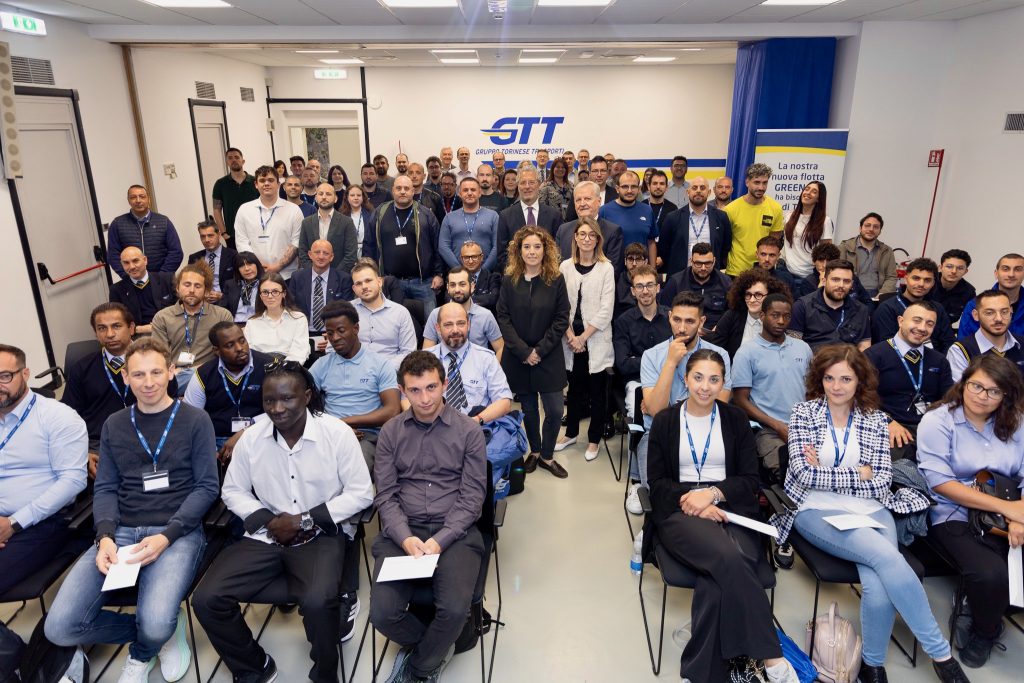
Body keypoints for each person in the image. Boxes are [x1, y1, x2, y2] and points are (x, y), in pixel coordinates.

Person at [771, 344, 969, 683]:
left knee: (877, 579)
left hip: (871, 509)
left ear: (859, 380)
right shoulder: (804, 413)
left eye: (845, 379)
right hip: (816, 507)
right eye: (829, 378)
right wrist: (858, 473)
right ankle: (942, 655)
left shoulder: (875, 419)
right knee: (888, 559)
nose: (836, 386)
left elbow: (880, 482)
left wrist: (831, 472)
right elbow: (804, 476)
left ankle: (872, 666)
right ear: (820, 379)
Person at [45, 337, 220, 683]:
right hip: (122, 531)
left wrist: (167, 536)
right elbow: (106, 487)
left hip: (177, 532)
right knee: (60, 628)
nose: (149, 382)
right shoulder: (115, 423)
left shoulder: (196, 420)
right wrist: (105, 537)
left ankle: (143, 651)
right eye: (138, 374)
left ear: (172, 371)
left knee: (155, 622)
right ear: (125, 377)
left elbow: (207, 487)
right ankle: (160, 631)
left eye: (156, 372)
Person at [194, 358, 373, 683]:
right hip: (267, 534)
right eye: (269, 400)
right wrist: (268, 520)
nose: (277, 408)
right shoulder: (252, 438)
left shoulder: (337, 434)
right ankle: (254, 666)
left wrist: (304, 520)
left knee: (318, 602)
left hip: (319, 535)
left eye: (287, 398)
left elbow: (362, 493)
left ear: (307, 396)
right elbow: (232, 490)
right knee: (206, 599)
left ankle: (325, 675)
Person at [646, 349, 800, 683]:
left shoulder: (734, 419)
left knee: (716, 582)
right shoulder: (665, 421)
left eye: (714, 379)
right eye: (698, 377)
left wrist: (713, 494)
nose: (705, 386)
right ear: (685, 379)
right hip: (680, 510)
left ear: (723, 383)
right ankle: (772, 656)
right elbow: (656, 486)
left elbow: (750, 480)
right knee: (731, 557)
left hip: (730, 507)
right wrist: (695, 499)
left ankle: (699, 673)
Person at [371, 351, 488, 683]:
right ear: (402, 391)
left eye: (431, 387)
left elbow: (472, 498)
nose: (424, 399)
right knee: (382, 615)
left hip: (455, 532)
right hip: (403, 530)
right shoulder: (391, 432)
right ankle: (437, 648)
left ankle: (419, 668)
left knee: (454, 610)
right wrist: (405, 537)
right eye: (415, 390)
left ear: (445, 384)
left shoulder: (469, 431)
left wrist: (440, 541)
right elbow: (386, 495)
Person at [918, 354, 1024, 669]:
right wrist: (1009, 510)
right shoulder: (939, 420)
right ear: (963, 383)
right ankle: (986, 630)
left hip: (1009, 507)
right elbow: (940, 482)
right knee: (991, 575)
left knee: (1008, 574)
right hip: (953, 513)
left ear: (1006, 395)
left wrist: (1018, 516)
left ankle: (975, 602)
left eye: (994, 391)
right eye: (976, 386)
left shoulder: (1017, 422)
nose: (982, 396)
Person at [0, 343, 88, 677]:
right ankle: (17, 658)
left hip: (41, 523)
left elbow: (72, 481)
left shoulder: (57, 417)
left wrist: (13, 523)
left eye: (4, 376)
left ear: (25, 373)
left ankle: (21, 663)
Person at [62, 303, 171, 478]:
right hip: (100, 445)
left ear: (131, 328)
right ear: (95, 333)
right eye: (102, 328)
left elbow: (171, 407)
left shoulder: (155, 364)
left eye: (117, 326)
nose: (110, 334)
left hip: (152, 437)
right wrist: (83, 452)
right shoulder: (81, 369)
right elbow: (68, 417)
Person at [496, 227, 570, 478]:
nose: (532, 252)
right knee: (528, 409)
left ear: (545, 249)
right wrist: (524, 352)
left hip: (548, 356)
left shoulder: (556, 279)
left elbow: (561, 318)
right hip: (518, 358)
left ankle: (548, 456)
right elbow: (503, 318)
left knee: (555, 411)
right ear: (519, 251)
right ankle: (535, 452)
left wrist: (539, 350)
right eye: (526, 247)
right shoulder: (509, 280)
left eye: (537, 246)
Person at [311, 300, 402, 472]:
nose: (335, 338)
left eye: (341, 330)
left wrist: (344, 423)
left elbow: (392, 410)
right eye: (330, 333)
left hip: (366, 435)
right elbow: (301, 400)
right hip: (328, 433)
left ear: (356, 329)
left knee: (354, 467)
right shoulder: (321, 365)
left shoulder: (380, 364)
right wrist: (335, 428)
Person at [554, 218, 615, 461]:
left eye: (591, 235)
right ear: (575, 238)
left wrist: (583, 338)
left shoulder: (606, 268)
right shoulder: (565, 267)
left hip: (595, 339)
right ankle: (570, 434)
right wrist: (571, 336)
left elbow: (606, 309)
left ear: (598, 239)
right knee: (574, 390)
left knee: (597, 392)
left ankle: (593, 439)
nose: (586, 238)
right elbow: (560, 306)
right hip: (570, 340)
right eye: (582, 234)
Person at [732, 293, 810, 484]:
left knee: (820, 469)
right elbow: (740, 400)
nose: (781, 321)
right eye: (775, 315)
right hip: (767, 430)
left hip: (805, 427)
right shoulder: (747, 352)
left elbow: (812, 390)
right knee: (788, 474)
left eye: (786, 316)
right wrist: (777, 425)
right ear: (762, 316)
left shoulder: (803, 348)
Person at [866, 300, 954, 462]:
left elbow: (948, 400)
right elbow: (860, 398)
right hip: (890, 428)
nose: (922, 328)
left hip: (930, 428)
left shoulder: (939, 360)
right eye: (917, 320)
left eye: (929, 324)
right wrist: (886, 422)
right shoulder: (874, 355)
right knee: (902, 466)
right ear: (900, 321)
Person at [182, 321, 271, 455]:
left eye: (242, 341)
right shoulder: (204, 374)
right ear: (216, 351)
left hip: (260, 435)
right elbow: (190, 418)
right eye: (230, 345)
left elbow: (285, 410)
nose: (239, 348)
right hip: (216, 441)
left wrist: (247, 430)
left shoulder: (269, 367)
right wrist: (209, 450)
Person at [363, 175, 444, 316]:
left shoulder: (426, 214)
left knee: (431, 323)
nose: (402, 191)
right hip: (390, 282)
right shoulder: (380, 213)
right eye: (399, 188)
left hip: (423, 283)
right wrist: (372, 274)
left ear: (413, 191)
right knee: (393, 323)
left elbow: (437, 245)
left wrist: (439, 274)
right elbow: (369, 244)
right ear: (393, 190)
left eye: (406, 188)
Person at [151, 261, 234, 392]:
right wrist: (172, 371)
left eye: (197, 286)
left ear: (206, 291)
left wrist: (194, 370)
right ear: (177, 288)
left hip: (208, 374)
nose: (191, 290)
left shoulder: (222, 315)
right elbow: (159, 356)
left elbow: (227, 354)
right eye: (187, 284)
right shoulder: (162, 317)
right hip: (174, 374)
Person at [423, 303, 512, 423]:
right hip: (433, 428)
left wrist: (475, 421)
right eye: (448, 325)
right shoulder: (424, 359)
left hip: (477, 427)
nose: (455, 330)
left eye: (461, 323)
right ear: (438, 328)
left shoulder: (486, 358)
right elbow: (407, 399)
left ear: (468, 325)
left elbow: (504, 402)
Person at [233, 165, 304, 281]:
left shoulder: (293, 210)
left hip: (287, 276)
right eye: (262, 180)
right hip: (255, 276)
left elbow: (296, 242)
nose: (266, 183)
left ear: (278, 184)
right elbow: (242, 242)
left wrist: (278, 266)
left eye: (270, 180)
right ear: (256, 184)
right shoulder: (244, 210)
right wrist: (257, 265)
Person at [871, 257, 956, 352]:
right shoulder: (887, 309)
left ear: (933, 283)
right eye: (916, 278)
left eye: (927, 280)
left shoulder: (937, 308)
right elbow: (886, 347)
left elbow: (948, 342)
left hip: (935, 357)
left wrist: (940, 359)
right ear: (906, 279)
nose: (921, 284)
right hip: (899, 358)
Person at [706, 268, 790, 360]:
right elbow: (715, 352)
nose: (752, 300)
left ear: (770, 296)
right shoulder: (731, 316)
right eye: (748, 295)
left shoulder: (779, 319)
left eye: (758, 295)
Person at [789, 259, 872, 350]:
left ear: (852, 284)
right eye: (835, 280)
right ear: (824, 281)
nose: (841, 285)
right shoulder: (802, 307)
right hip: (814, 357)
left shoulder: (861, 310)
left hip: (849, 357)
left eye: (846, 281)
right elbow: (794, 346)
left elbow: (864, 343)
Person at [659, 175, 731, 277]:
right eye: (694, 188)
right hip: (680, 277)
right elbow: (663, 249)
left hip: (711, 276)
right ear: (688, 192)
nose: (698, 191)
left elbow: (725, 247)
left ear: (709, 192)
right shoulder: (672, 218)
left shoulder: (721, 217)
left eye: (702, 188)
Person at [106, 184, 183, 278]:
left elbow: (176, 252)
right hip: (132, 280)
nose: (138, 200)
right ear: (128, 201)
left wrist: (162, 276)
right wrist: (127, 276)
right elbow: (113, 255)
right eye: (133, 197)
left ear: (148, 199)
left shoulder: (164, 221)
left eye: (142, 196)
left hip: (163, 279)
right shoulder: (117, 224)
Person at [423, 266, 503, 355]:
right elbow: (427, 352)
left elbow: (500, 349)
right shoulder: (436, 314)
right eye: (453, 285)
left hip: (478, 363)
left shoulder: (485, 315)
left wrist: (493, 364)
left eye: (462, 284)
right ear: (448, 288)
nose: (457, 290)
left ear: (472, 287)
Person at [350, 260, 417, 367]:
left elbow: (408, 352)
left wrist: (383, 370)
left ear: (379, 282)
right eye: (359, 283)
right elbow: (333, 349)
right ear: (354, 289)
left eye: (368, 280)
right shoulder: (346, 311)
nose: (364, 286)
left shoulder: (400, 312)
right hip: (353, 371)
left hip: (391, 372)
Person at [495, 168, 563, 271]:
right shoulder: (505, 216)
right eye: (523, 183)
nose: (527, 186)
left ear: (539, 185)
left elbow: (558, 251)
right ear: (518, 186)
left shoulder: (554, 215)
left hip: (547, 276)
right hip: (516, 276)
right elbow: (502, 255)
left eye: (531, 182)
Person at [947, 290, 1024, 381]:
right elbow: (960, 389)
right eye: (989, 313)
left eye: (1004, 312)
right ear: (976, 315)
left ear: (1011, 312)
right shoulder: (960, 350)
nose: (999, 318)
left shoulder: (1022, 343)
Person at [555, 181, 625, 279]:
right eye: (578, 200)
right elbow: (556, 267)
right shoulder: (563, 230)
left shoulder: (613, 231)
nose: (582, 204)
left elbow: (614, 272)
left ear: (599, 201)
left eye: (587, 199)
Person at [289, 240, 350, 351]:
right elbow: (291, 307)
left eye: (326, 253)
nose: (321, 257)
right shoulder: (297, 277)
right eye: (317, 252)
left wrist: (334, 335)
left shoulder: (343, 279)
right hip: (303, 334)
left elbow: (346, 313)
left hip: (332, 334)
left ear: (332, 257)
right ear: (310, 255)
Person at [724, 163, 783, 277]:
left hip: (763, 271)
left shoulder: (775, 208)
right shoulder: (730, 209)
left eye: (764, 183)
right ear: (747, 182)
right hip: (736, 271)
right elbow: (724, 243)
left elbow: (774, 243)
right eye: (757, 182)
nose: (761, 187)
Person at [659, 242, 732, 331]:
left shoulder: (725, 283)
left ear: (714, 261)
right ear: (691, 261)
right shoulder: (676, 282)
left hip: (716, 333)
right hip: (683, 331)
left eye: (708, 263)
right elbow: (664, 311)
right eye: (698, 263)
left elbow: (732, 312)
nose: (703, 268)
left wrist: (720, 327)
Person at [243, 273, 310, 364]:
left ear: (284, 294)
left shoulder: (299, 319)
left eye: (275, 291)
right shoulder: (252, 322)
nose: (270, 296)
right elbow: (250, 353)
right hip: (260, 367)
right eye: (265, 292)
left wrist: (283, 368)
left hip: (289, 368)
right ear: (260, 296)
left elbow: (299, 352)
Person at [109, 247, 176, 334]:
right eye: (126, 263)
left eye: (135, 261)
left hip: (169, 330)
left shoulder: (167, 280)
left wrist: (160, 326)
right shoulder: (116, 290)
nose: (132, 266)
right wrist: (139, 329)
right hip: (138, 335)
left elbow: (181, 309)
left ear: (145, 260)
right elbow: (117, 322)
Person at [439, 177, 501, 271]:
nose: (469, 193)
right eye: (465, 190)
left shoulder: (493, 216)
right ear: (459, 194)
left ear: (479, 193)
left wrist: (482, 272)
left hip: (487, 274)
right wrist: (460, 271)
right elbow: (443, 247)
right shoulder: (449, 218)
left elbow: (497, 246)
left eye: (473, 190)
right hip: (457, 275)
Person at [958, 252, 1024, 338]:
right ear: (996, 273)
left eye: (1018, 269)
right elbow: (964, 342)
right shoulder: (975, 305)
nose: (1011, 274)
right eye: (1005, 269)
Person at [598, 170, 656, 265]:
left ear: (639, 189)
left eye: (633, 186)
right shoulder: (604, 211)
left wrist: (653, 269)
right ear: (617, 189)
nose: (629, 190)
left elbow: (651, 242)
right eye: (625, 186)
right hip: (613, 269)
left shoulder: (647, 210)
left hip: (641, 270)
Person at [297, 182, 358, 273]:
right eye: (321, 194)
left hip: (339, 276)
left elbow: (351, 254)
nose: (324, 197)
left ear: (335, 198)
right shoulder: (306, 223)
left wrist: (334, 275)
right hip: (312, 276)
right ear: (316, 198)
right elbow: (302, 252)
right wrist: (314, 272)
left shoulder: (347, 222)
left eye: (328, 194)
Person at [780, 181, 834, 280]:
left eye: (814, 191)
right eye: (806, 189)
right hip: (786, 272)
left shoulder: (825, 221)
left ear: (819, 198)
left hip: (809, 276)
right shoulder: (789, 216)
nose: (808, 193)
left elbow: (827, 251)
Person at [837, 212, 898, 298]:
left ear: (880, 231)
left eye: (876, 227)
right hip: (850, 292)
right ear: (860, 228)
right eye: (867, 225)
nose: (871, 229)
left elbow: (891, 277)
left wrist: (882, 294)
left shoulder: (887, 251)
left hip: (876, 294)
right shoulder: (844, 247)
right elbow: (837, 272)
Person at [212, 147, 260, 248]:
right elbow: (217, 210)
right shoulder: (220, 184)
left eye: (237, 157)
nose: (234, 160)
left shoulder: (255, 182)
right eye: (230, 158)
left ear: (243, 161)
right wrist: (224, 233)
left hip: (257, 232)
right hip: (233, 236)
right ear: (227, 162)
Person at [188, 220, 237, 303]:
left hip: (226, 301)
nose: (206, 240)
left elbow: (239, 285)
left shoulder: (233, 255)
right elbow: (190, 283)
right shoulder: (194, 258)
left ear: (219, 235)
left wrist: (223, 296)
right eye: (203, 236)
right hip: (201, 302)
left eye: (210, 235)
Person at [563, 157, 617, 221]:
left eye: (603, 170)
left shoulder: (616, 194)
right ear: (589, 173)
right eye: (595, 171)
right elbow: (570, 219)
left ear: (608, 173)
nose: (599, 174)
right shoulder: (579, 192)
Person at [934, 249, 976, 327]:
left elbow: (971, 320)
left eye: (960, 268)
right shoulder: (928, 282)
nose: (954, 271)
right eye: (949, 266)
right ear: (940, 267)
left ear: (965, 271)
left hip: (944, 329)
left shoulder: (969, 292)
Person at [222, 251, 264, 324]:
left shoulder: (266, 284)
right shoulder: (230, 285)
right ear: (237, 270)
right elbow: (223, 308)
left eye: (249, 264)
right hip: (235, 325)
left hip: (258, 323)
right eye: (241, 266)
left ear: (257, 265)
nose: (246, 269)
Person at [460, 240, 502, 311]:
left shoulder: (493, 277)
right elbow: (449, 299)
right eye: (466, 257)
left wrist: (463, 299)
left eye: (474, 257)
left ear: (481, 257)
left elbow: (493, 299)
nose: (470, 261)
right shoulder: (454, 277)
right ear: (461, 259)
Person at [340, 184, 374, 259]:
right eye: (352, 195)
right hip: (347, 255)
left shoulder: (371, 215)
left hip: (367, 254)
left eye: (359, 195)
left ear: (363, 197)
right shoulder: (341, 216)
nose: (356, 198)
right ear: (347, 197)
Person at [615, 243, 648, 317]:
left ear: (645, 262)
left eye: (638, 259)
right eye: (630, 259)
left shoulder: (650, 282)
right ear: (625, 261)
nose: (634, 264)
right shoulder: (617, 280)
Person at [644, 169, 677, 236]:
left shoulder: (673, 209)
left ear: (666, 187)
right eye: (655, 183)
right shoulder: (641, 206)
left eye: (662, 184)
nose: (658, 187)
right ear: (648, 187)